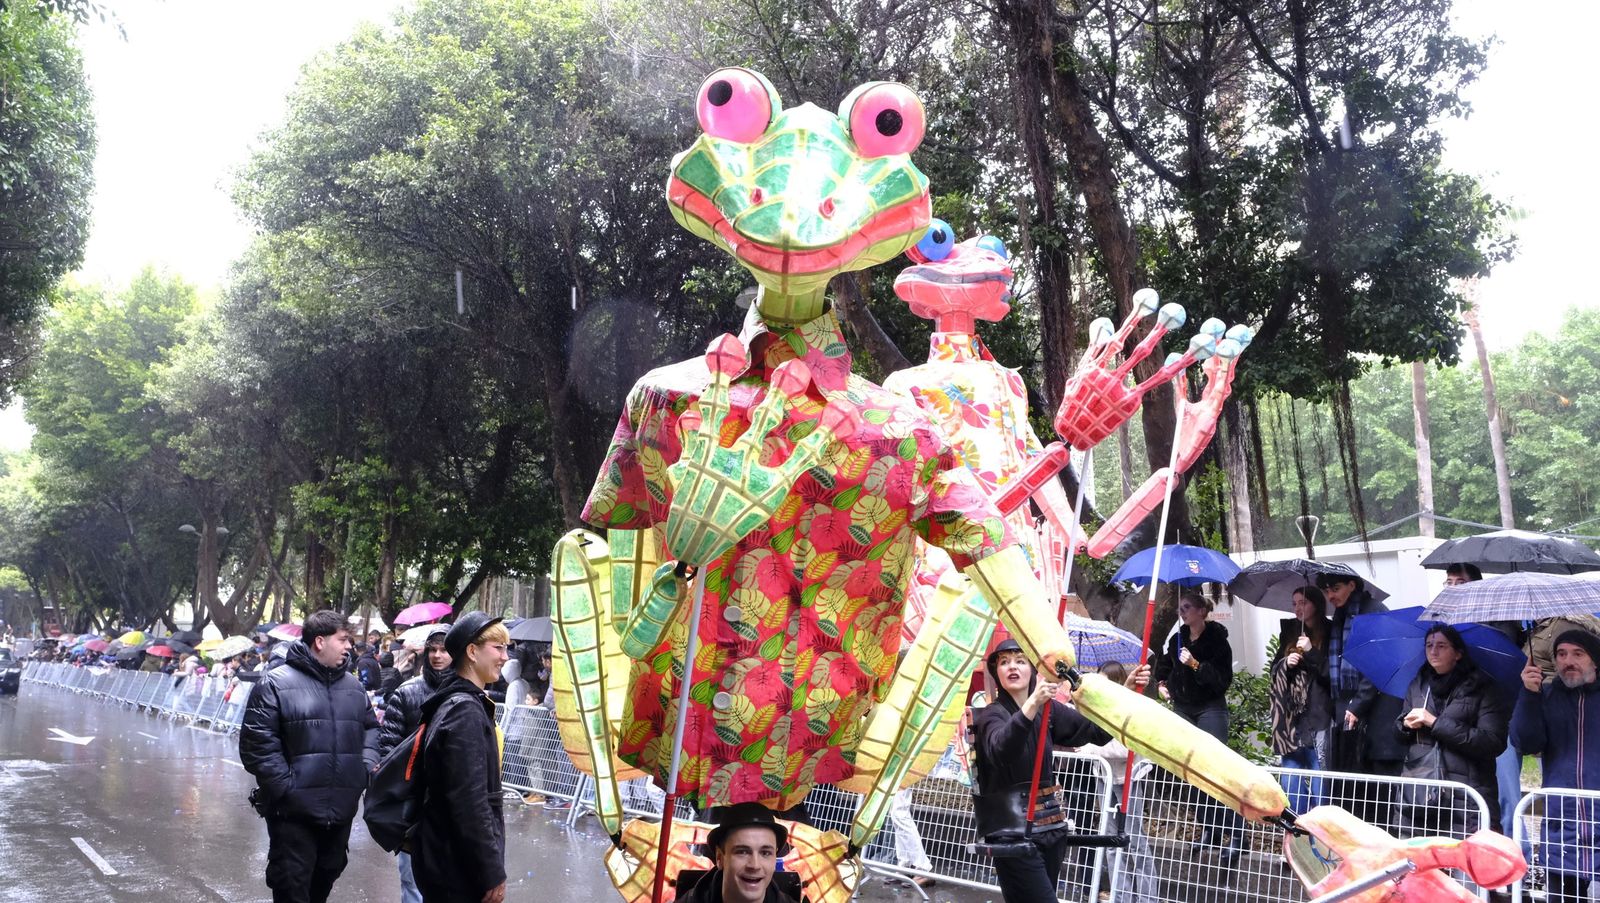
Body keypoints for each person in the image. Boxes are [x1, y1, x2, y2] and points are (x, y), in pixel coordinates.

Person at [973, 638, 1147, 900]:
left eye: (1021, 661)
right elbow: (1001, 750)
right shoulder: (991, 715)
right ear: (996, 672)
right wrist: (1032, 704)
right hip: (1012, 835)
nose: (1013, 667)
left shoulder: (1049, 710)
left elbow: (1096, 732)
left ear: (1032, 669)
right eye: (1004, 662)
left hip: (1050, 830)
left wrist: (1126, 691)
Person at [239, 609, 379, 903]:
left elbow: (371, 730)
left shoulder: (354, 689)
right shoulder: (274, 684)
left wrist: (361, 770)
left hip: (339, 812)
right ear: (319, 641)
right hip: (292, 816)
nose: (349, 646)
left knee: (324, 880)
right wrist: (287, 788)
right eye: (343, 639)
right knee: (292, 889)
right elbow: (257, 745)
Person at [411, 612, 509, 903]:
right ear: (472, 651)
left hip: (447, 857)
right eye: (499, 647)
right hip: (456, 866)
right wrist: (490, 871)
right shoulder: (464, 710)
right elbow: (469, 801)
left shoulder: (457, 701)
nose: (505, 657)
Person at [1392, 624, 1508, 838]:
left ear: (1458, 653)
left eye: (1441, 646)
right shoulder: (1417, 685)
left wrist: (1435, 723)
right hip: (1420, 796)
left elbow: (1492, 742)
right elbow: (1399, 736)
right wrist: (1404, 725)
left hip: (1464, 798)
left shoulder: (1482, 688)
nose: (1433, 651)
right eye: (1429, 645)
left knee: (1461, 866)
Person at [1510, 629, 1600, 903]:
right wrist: (1528, 695)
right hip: (1563, 823)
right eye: (1561, 654)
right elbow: (1525, 742)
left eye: (1577, 654)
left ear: (1595, 661)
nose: (1568, 661)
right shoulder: (1545, 696)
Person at [1152, 592, 1243, 863]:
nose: (1183, 612)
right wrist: (1161, 684)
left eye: (1188, 607)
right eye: (1181, 608)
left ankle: (1238, 834)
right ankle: (1211, 830)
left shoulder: (1217, 642)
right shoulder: (1178, 637)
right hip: (1183, 708)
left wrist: (1195, 665)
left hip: (1209, 709)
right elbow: (1165, 665)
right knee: (1191, 773)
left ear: (1203, 611)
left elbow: (1220, 682)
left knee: (1215, 771)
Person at [1319, 570, 1406, 832]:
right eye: (1326, 591)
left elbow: (1379, 664)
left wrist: (1357, 705)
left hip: (1378, 717)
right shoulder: (1341, 615)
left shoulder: (1374, 611)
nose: (1330, 596)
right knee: (1354, 791)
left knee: (1378, 794)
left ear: (1351, 585)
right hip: (1350, 712)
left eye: (1335, 588)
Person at [375, 625, 451, 903]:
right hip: (414, 806)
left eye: (444, 650)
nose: (437, 656)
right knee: (412, 882)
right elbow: (388, 749)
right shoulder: (407, 693)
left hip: (453, 804)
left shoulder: (468, 694)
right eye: (432, 650)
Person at [1271, 585, 1332, 816]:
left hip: (1319, 720)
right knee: (1291, 785)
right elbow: (1274, 672)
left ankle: (1322, 841)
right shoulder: (1289, 632)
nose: (1297, 608)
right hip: (1291, 723)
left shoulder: (1330, 631)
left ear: (1316, 604)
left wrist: (1312, 653)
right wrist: (1286, 663)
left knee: (1321, 788)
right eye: (1294, 603)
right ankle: (1301, 833)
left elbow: (1332, 676)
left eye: (1303, 602)